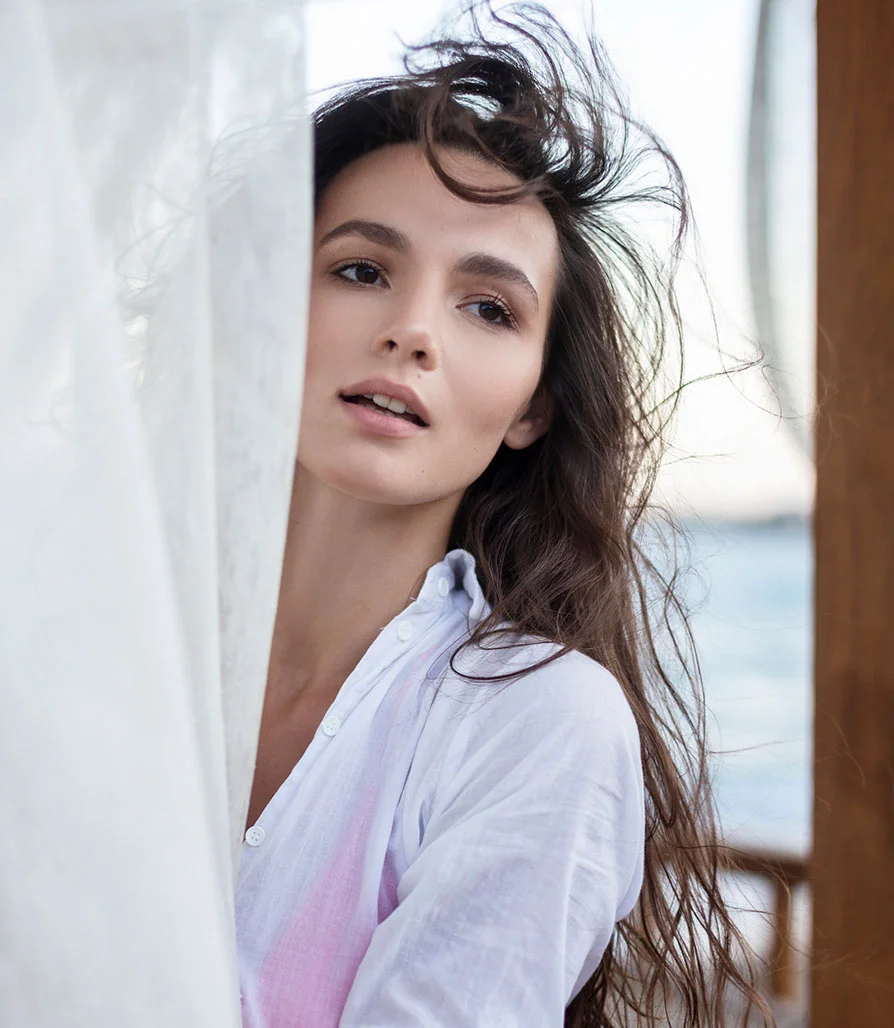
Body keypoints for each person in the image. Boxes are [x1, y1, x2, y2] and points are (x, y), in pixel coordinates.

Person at [236, 4, 772, 1026]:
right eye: (361, 269)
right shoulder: (112, 646)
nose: (410, 331)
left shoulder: (535, 720)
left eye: (489, 307)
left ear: (534, 403)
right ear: (263, 305)